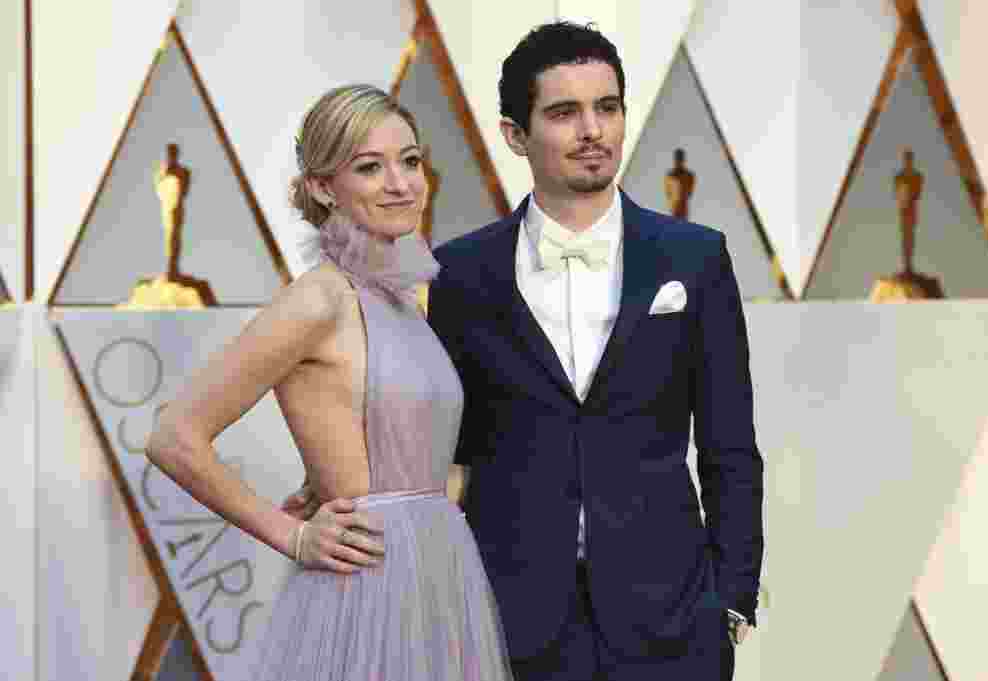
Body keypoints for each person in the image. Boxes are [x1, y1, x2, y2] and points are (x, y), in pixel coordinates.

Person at [289, 21, 763, 681]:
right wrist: (341, 481)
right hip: (511, 619)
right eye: (565, 113)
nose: (593, 130)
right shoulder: (459, 273)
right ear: (516, 134)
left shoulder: (696, 258)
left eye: (607, 107)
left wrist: (733, 597)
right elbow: (451, 442)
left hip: (674, 619)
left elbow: (729, 444)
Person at [146, 84, 513, 680]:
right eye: (369, 167)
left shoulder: (400, 297)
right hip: (366, 580)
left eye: (410, 161)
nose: (400, 183)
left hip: (438, 570)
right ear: (322, 187)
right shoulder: (317, 299)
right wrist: (293, 536)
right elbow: (173, 436)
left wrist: (326, 473)